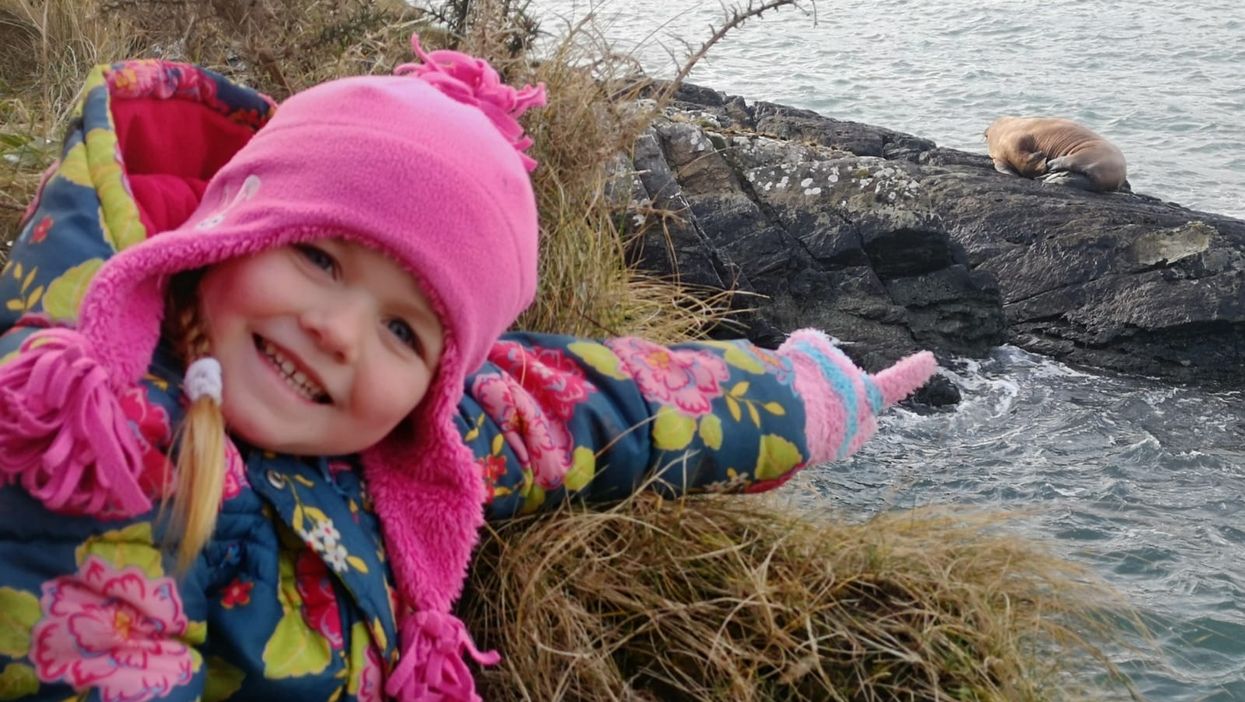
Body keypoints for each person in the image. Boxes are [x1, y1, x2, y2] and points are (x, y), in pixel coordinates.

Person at [0, 37, 937, 701]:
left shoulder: (413, 441)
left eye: (407, 332)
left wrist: (814, 397)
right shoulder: (79, 457)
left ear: (438, 385)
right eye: (319, 259)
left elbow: (600, 406)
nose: (339, 332)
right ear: (222, 232)